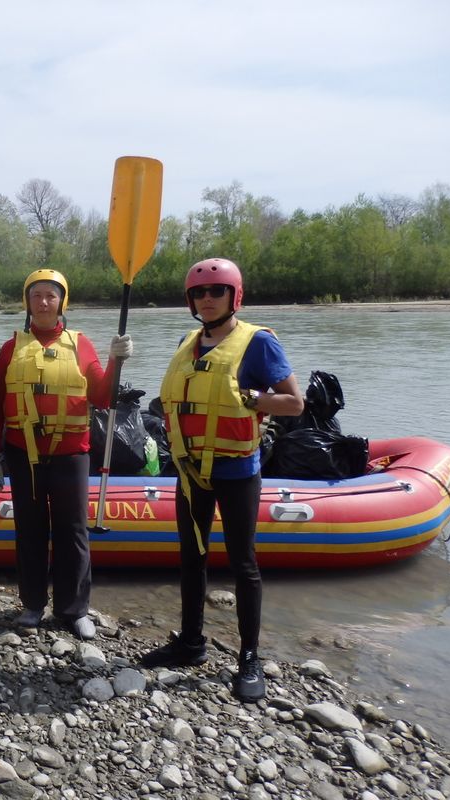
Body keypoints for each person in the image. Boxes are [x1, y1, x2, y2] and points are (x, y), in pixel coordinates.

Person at [140, 258, 303, 703]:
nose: (207, 299)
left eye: (216, 292)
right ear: (190, 301)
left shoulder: (259, 343)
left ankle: (249, 655)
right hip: (191, 473)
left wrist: (252, 397)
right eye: (199, 293)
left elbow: (294, 403)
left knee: (242, 564)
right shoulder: (187, 342)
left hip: (236, 473)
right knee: (192, 557)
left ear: (234, 296)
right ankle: (191, 642)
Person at [0, 270, 133, 640]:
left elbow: (101, 396)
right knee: (30, 531)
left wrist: (116, 361)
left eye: (51, 295)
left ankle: (74, 609)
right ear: (27, 303)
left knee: (73, 533)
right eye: (36, 296)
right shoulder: (10, 347)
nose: (44, 302)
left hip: (71, 455)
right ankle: (33, 604)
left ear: (62, 302)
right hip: (24, 454)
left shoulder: (81, 345)